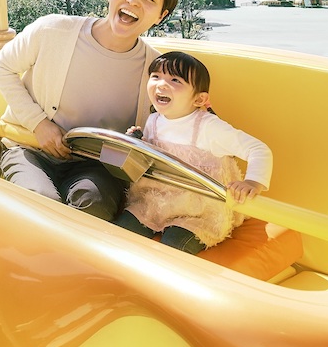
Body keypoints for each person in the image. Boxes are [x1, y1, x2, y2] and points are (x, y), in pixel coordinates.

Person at [0, 0, 179, 219]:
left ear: (161, 15)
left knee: (94, 208)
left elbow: (178, 121)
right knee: (39, 203)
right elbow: (0, 66)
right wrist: (39, 123)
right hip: (29, 147)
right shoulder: (52, 30)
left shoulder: (157, 70)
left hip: (98, 168)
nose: (133, 1)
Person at [113, 50, 272, 254]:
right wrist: (139, 143)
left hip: (198, 210)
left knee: (174, 246)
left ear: (199, 99)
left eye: (175, 80)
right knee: (119, 233)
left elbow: (258, 149)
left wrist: (252, 182)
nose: (161, 84)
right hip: (155, 202)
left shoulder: (208, 127)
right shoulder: (153, 120)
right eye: (156, 77)